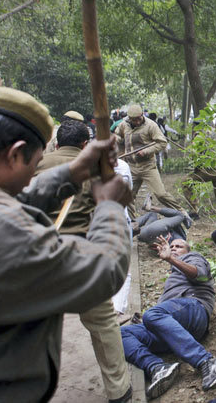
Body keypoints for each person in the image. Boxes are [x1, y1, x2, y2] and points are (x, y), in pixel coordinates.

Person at [0, 85, 131, 401]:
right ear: (15, 153)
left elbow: (7, 199)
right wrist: (110, 206)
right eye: (34, 163)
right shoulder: (8, 237)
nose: (34, 173)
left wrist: (72, 173)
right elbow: (105, 270)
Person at [34, 119, 133, 402]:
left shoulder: (37, 162)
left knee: (33, 327)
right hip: (80, 260)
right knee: (103, 325)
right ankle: (119, 390)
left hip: (38, 260)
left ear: (56, 142)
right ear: (83, 145)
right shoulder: (95, 168)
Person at [121, 236, 216, 399]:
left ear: (187, 251)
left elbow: (201, 275)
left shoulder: (194, 257)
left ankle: (206, 361)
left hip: (194, 309)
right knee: (121, 333)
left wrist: (171, 258)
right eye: (172, 246)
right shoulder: (173, 276)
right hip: (174, 325)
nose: (174, 248)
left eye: (179, 246)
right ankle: (157, 367)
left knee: (152, 314)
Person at [114, 104, 186, 217]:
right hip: (131, 167)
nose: (137, 122)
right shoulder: (124, 125)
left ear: (142, 115)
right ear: (129, 119)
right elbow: (117, 135)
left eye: (139, 119)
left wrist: (146, 151)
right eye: (134, 120)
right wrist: (118, 139)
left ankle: (181, 212)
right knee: (127, 196)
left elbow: (162, 142)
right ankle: (133, 221)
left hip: (147, 166)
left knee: (160, 194)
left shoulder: (151, 125)